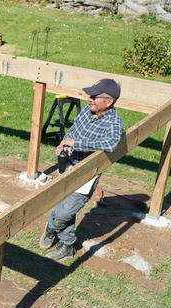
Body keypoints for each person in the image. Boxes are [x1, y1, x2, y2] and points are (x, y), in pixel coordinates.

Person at [39, 78, 124, 261]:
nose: (90, 99)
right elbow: (74, 130)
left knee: (64, 211)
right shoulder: (87, 110)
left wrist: (77, 143)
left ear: (109, 102)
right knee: (64, 204)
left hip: (87, 173)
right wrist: (65, 142)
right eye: (90, 95)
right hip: (69, 164)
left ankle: (52, 227)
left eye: (95, 96)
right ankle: (68, 246)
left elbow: (111, 144)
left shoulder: (114, 122)